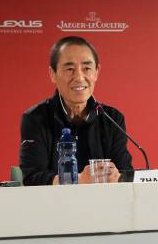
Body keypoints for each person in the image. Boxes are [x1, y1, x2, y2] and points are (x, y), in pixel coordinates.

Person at [19, 36, 132, 185]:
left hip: (104, 204)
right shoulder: (35, 118)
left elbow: (126, 173)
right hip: (53, 205)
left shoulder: (112, 118)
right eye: (69, 69)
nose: (79, 77)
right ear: (53, 74)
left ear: (97, 72)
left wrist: (118, 177)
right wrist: (76, 180)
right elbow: (31, 178)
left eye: (87, 68)